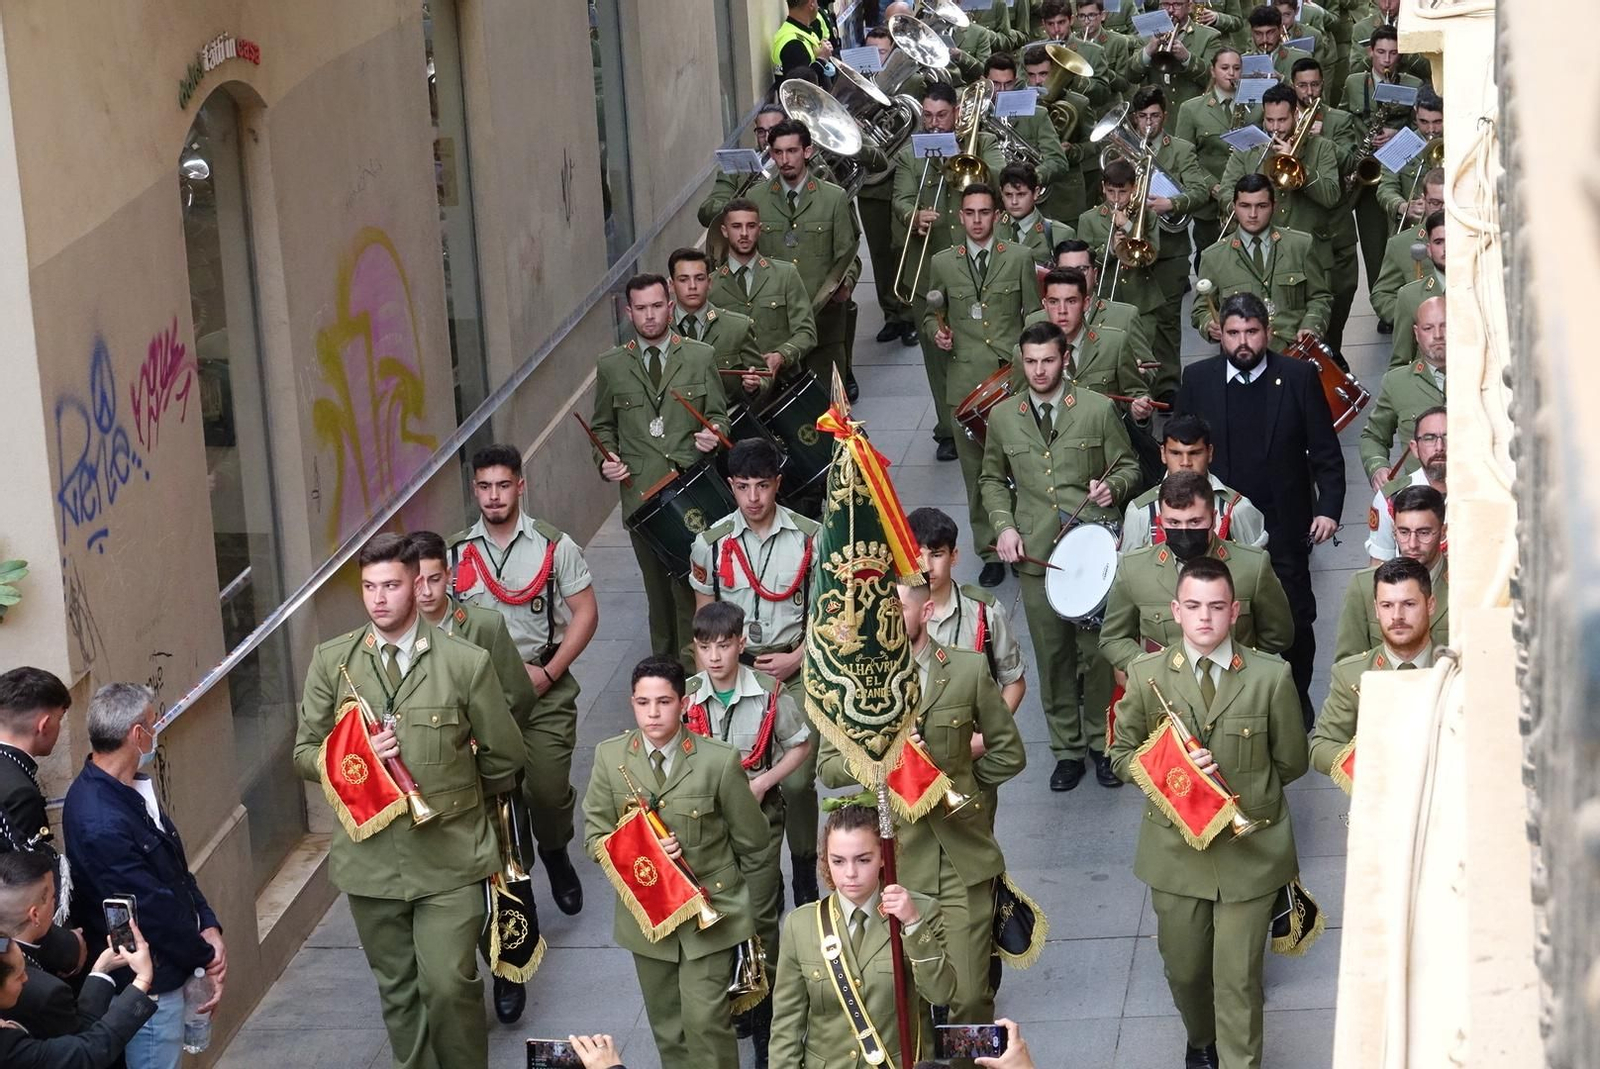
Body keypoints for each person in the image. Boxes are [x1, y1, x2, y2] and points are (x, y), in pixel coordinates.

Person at [294, 533, 522, 1069]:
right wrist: (357, 753)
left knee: (448, 982)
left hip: (449, 853)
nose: (379, 598)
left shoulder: (464, 662)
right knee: (398, 993)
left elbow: (503, 754)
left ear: (416, 585)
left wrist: (460, 800)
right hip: (370, 861)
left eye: (391, 585)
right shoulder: (334, 661)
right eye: (369, 587)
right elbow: (305, 753)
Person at [1109, 556, 1308, 1069]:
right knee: (1186, 970)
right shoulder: (1146, 672)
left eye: (1217, 607)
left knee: (1239, 979)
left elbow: (1291, 761)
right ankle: (1202, 1040)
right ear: (1175, 610)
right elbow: (1120, 750)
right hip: (1176, 851)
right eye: (1194, 606)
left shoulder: (1270, 676)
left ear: (1235, 611)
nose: (1205, 618)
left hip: (1252, 851)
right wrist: (1171, 768)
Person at [817, 580, 1023, 1020]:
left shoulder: (966, 670)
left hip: (958, 856)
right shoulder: (852, 680)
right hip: (890, 856)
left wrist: (961, 792)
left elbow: (1009, 752)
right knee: (900, 998)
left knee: (968, 997)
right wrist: (877, 757)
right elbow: (827, 768)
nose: (886, 624)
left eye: (898, 611)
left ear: (926, 610)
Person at [582, 656, 769, 1069]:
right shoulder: (610, 758)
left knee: (706, 1022)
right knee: (668, 1028)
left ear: (683, 704)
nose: (653, 713)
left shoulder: (716, 760)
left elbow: (753, 839)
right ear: (631, 703)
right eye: (643, 703)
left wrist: (754, 919)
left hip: (711, 914)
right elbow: (593, 838)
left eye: (663, 702)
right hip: (649, 918)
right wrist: (642, 850)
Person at [981, 322, 1140, 790]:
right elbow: (991, 478)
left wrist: (1114, 487)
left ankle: (1101, 743)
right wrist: (1003, 525)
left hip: (1090, 551)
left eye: (1047, 360)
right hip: (1036, 555)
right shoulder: (1004, 417)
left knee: (1096, 654)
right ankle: (1066, 749)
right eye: (1030, 361)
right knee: (1052, 657)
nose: (1038, 370)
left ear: (1065, 358)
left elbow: (1129, 464)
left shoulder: (1096, 410)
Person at [1176, 292, 1344, 726]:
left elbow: (1325, 449)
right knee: (1227, 613)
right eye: (1234, 333)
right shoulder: (1197, 380)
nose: (1243, 342)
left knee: (1294, 616)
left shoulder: (1299, 376)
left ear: (1268, 333)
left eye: (1252, 332)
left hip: (1285, 523)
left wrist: (1328, 508)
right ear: (1221, 335)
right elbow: (1182, 450)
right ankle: (1237, 704)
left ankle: (1296, 697)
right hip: (1220, 528)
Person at [449, 444, 597, 920]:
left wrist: (550, 671)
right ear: (475, 490)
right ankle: (522, 880)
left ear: (521, 486)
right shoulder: (455, 554)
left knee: (547, 791)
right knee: (500, 797)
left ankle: (555, 849)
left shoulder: (555, 546)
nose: (494, 496)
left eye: (503, 485)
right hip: (481, 696)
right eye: (485, 487)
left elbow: (585, 613)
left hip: (542, 687)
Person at [63, 684, 227, 1069]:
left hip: (167, 969)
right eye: (154, 724)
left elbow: (176, 873)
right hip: (150, 987)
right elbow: (151, 906)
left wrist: (208, 923)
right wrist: (207, 957)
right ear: (137, 735)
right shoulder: (100, 818)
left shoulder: (129, 790)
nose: (156, 731)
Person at [688, 438, 822, 906]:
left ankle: (805, 862)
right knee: (738, 771)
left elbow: (829, 611)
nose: (753, 498)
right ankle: (760, 867)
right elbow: (704, 618)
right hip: (737, 670)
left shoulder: (810, 536)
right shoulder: (711, 544)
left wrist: (800, 657)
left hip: (795, 665)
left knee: (799, 779)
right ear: (730, 486)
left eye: (762, 486)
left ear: (777, 485)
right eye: (743, 487)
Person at [685, 601, 812, 1064]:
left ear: (742, 642)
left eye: (723, 645)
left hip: (759, 823)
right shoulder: (685, 697)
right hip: (705, 830)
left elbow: (799, 746)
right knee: (715, 916)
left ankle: (766, 1022)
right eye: (705, 648)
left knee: (760, 921)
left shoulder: (770, 693)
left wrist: (763, 781)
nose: (715, 657)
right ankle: (736, 996)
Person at [592, 272, 731, 660]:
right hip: (642, 497)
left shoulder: (699, 355)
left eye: (657, 306)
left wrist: (714, 433)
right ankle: (667, 672)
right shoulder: (611, 365)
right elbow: (602, 426)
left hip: (691, 491)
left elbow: (718, 415)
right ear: (628, 312)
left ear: (669, 307)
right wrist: (606, 460)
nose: (650, 316)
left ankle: (699, 674)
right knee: (657, 594)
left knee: (696, 587)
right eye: (641, 309)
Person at [767, 804, 957, 1069]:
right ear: (826, 860)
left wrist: (913, 924)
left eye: (863, 859)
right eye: (838, 861)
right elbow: (787, 1026)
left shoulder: (920, 911)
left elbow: (940, 994)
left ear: (883, 856)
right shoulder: (801, 925)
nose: (850, 873)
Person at [924, 182, 1044, 587]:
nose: (977, 220)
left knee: (1022, 466)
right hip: (966, 387)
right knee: (977, 475)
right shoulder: (942, 262)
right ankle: (989, 550)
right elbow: (929, 316)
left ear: (998, 216)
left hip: (1011, 383)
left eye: (985, 212)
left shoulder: (1020, 257)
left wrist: (1026, 365)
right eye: (970, 213)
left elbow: (1034, 316)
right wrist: (936, 333)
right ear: (960, 216)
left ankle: (1027, 538)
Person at [894, 82, 1008, 463]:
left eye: (941, 115)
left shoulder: (983, 140)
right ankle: (948, 429)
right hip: (930, 271)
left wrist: (966, 152)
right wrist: (914, 215)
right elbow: (902, 197)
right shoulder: (913, 152)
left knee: (985, 347)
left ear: (957, 113)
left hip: (979, 269)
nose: (933, 123)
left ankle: (992, 421)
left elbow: (1000, 181)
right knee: (938, 354)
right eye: (927, 115)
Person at [1100, 471, 1294, 679]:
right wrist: (1147, 668)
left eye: (1194, 522)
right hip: (1165, 696)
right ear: (1160, 520)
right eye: (1174, 523)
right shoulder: (1135, 568)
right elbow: (1113, 637)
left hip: (1235, 689)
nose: (1184, 532)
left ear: (1213, 518)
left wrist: (1244, 670)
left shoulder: (1252, 565)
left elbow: (1279, 635)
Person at [744, 118, 861, 385]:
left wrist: (847, 285)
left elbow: (849, 256)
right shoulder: (756, 198)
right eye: (778, 152)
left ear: (808, 152)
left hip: (824, 324)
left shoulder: (834, 198)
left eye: (792, 151)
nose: (785, 159)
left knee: (831, 413)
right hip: (775, 329)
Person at [1312, 556, 1438, 780]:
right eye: (1387, 605)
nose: (1397, 616)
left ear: (1430, 605)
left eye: (1409, 604)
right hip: (1378, 804)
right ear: (1376, 610)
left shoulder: (1461, 669)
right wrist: (1372, 763)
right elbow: (1321, 747)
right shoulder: (1351, 674)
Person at [1125, 87, 1212, 399]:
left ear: (1166, 115)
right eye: (1143, 117)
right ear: (1134, 118)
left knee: (1167, 322)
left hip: (1170, 248)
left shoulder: (1181, 149)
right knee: (1133, 320)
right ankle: (1138, 386)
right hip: (1132, 244)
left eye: (1155, 116)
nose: (1149, 124)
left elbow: (1200, 191)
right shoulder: (1124, 147)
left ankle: (1169, 386)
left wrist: (1171, 204)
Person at [0, 668, 83, 980]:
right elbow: (22, 887)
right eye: (60, 720)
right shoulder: (19, 791)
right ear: (45, 724)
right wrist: (66, 948)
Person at [1193, 173, 1332, 354]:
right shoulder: (1213, 257)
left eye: (1261, 206)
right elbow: (1200, 310)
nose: (1253, 214)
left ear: (1273, 206)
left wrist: (1311, 326)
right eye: (1245, 206)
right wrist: (1209, 325)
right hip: (1241, 356)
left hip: (1295, 352)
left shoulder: (1300, 245)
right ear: (1234, 207)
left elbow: (1320, 297)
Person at [0, 851, 132, 1040]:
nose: (56, 902)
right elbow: (83, 1044)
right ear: (35, 915)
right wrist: (101, 971)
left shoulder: (7, 947)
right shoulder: (47, 993)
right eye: (54, 897)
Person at [907, 507, 1027, 712]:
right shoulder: (891, 613)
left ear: (953, 556)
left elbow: (1014, 682)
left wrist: (989, 736)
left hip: (972, 733)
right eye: (918, 555)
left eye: (936, 555)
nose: (927, 567)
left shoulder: (985, 611)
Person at [0, 921, 160, 1069]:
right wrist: (142, 980)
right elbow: (86, 1053)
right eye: (18, 975)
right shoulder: (6, 1047)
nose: (26, 978)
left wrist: (100, 970)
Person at [1119, 414, 1269, 551]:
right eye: (1176, 453)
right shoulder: (1140, 512)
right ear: (1163, 453)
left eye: (1194, 453)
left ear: (1209, 453)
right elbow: (1129, 574)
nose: (1185, 463)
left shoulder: (1238, 509)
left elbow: (1255, 571)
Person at [1334, 484, 1449, 660]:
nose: (1412, 544)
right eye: (1403, 532)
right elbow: (1348, 665)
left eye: (1424, 533)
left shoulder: (1468, 585)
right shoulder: (1364, 586)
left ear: (1443, 533)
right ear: (1394, 532)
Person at [708, 200, 818, 380]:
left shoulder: (785, 275)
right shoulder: (712, 286)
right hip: (736, 389)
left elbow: (807, 333)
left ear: (759, 229)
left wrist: (781, 355)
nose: (744, 234)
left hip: (784, 382)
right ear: (724, 231)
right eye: (736, 226)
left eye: (750, 226)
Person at [1174, 48, 1253, 266]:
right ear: (1212, 71)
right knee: (1208, 258)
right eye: (1225, 68)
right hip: (1210, 205)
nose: (1231, 74)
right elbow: (1185, 156)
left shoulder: (1256, 107)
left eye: (1237, 69)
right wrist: (1211, 186)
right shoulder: (1191, 109)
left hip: (1248, 198)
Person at [1034, 267, 1151, 411]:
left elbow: (1137, 393)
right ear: (1045, 305)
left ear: (1086, 303)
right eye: (1054, 302)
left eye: (1071, 301)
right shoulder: (1027, 351)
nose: (1062, 310)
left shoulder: (1114, 344)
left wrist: (1139, 411)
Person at [1361, 295, 1446, 490]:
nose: (1438, 334)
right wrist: (1378, 467)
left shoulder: (1483, 376)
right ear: (1416, 333)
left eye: (1445, 326)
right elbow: (1373, 437)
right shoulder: (1396, 382)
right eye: (1428, 328)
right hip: (1419, 500)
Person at [666, 247, 765, 402]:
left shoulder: (736, 327)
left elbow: (762, 374)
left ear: (709, 282)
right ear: (671, 285)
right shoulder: (661, 332)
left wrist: (755, 385)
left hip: (730, 419)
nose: (692, 286)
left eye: (699, 278)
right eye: (683, 279)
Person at [1366, 406, 1446, 563]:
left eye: (1449, 437)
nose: (1439, 447)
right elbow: (1379, 565)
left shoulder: (1490, 494)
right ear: (1414, 448)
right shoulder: (1390, 498)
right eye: (1429, 438)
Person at [1369, 168, 1444, 327]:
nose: (1442, 210)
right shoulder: (1401, 244)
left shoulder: (1477, 239)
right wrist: (1412, 316)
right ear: (1424, 201)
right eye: (1435, 203)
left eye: (1448, 202)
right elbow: (1382, 296)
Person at [1050, 239, 1151, 354]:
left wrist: (1136, 369)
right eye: (1066, 270)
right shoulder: (1036, 320)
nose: (1074, 276)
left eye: (1082, 269)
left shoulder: (1125, 318)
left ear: (1095, 274)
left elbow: (1149, 367)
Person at [697, 105, 787, 228]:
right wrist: (740, 207)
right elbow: (706, 212)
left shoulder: (801, 163)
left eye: (773, 130)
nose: (767, 138)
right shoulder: (737, 164)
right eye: (761, 132)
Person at [1137, 0, 1224, 116]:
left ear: (1189, 6)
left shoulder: (1209, 36)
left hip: (1193, 114)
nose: (1171, 10)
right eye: (1165, 4)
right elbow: (1131, 76)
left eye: (1177, 4)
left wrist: (1187, 58)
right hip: (1157, 116)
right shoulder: (1147, 36)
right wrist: (1148, 50)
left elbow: (1213, 79)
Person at [1388, 218, 1444, 369]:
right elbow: (1401, 360)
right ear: (1429, 250)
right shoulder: (1410, 296)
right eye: (1439, 242)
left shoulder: (1485, 289)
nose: (1446, 249)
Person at [997, 162, 1073, 266]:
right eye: (1008, 195)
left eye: (1021, 194)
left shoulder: (1059, 235)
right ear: (1001, 193)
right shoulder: (991, 230)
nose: (1014, 201)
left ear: (1036, 192)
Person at [772, 0, 835, 85]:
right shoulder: (793, 44)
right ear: (811, 4)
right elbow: (801, 87)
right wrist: (822, 60)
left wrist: (823, 52)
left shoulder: (801, 31)